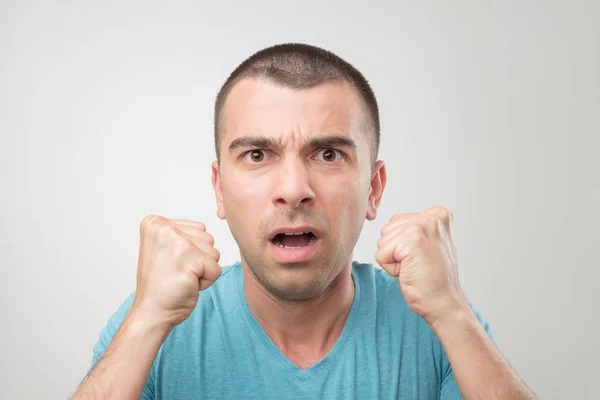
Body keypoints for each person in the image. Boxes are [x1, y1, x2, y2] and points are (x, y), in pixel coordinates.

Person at [71, 43, 536, 399]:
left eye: (328, 153)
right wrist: (147, 320)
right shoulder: (153, 325)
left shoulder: (441, 324)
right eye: (257, 154)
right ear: (219, 188)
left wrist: (452, 312)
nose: (293, 188)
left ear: (374, 189)